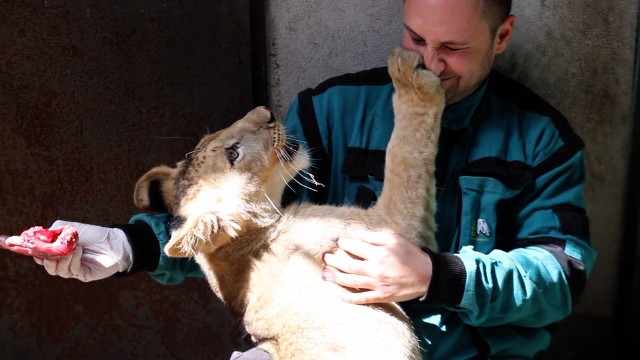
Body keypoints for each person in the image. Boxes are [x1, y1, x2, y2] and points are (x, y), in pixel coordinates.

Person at [20, 0, 597, 358]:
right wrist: (128, 246)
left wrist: (435, 275)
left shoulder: (544, 141)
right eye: (415, 38)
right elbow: (245, 224)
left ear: (503, 35)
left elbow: (560, 279)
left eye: (452, 48)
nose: (427, 62)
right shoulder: (333, 109)